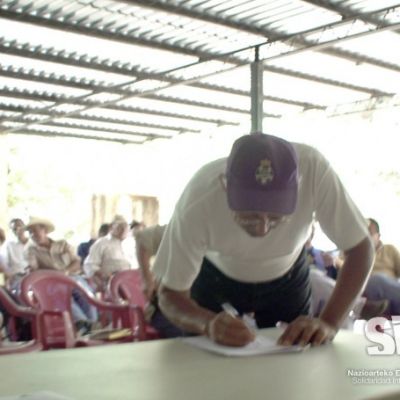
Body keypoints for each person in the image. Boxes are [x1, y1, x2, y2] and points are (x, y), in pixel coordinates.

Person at [153, 133, 374, 347]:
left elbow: (361, 249)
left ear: (299, 185)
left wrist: (329, 322)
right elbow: (169, 294)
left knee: (297, 360)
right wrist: (207, 323)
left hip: (287, 277)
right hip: (215, 278)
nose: (262, 229)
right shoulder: (198, 198)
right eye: (249, 216)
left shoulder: (314, 171)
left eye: (277, 217)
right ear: (224, 185)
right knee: (205, 367)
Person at [24, 216, 97, 330]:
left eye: (35, 231)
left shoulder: (62, 244)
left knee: (85, 292)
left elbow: (77, 262)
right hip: (51, 282)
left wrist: (65, 272)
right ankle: (83, 324)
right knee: (62, 295)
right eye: (30, 233)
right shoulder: (31, 250)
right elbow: (34, 269)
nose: (33, 235)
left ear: (45, 231)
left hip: (72, 277)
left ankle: (93, 323)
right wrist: (54, 275)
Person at [84, 216, 131, 292]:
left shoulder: (131, 245)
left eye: (126, 227)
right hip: (109, 285)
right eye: (120, 227)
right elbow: (90, 265)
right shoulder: (101, 243)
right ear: (111, 227)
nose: (123, 230)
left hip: (130, 284)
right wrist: (106, 277)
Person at [363, 218, 400, 315]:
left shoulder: (390, 249)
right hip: (367, 292)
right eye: (362, 233)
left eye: (369, 234)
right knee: (377, 280)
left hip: (391, 295)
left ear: (378, 236)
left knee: (381, 280)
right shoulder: (352, 253)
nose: (365, 237)